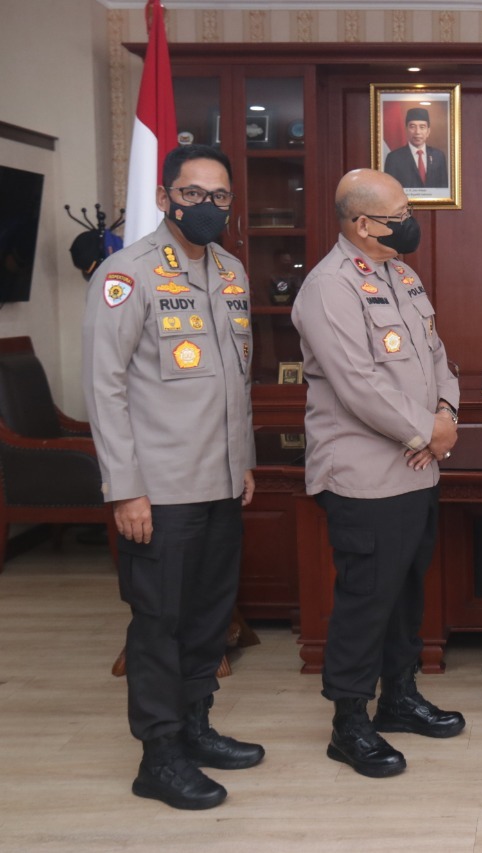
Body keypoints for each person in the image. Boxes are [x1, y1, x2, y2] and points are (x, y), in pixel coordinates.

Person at [83, 143, 263, 810]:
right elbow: (104, 387)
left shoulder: (232, 271)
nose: (207, 206)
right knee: (159, 623)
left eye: (220, 196)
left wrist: (243, 459)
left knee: (209, 615)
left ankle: (194, 726)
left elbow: (237, 379)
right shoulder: (126, 274)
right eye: (192, 194)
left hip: (221, 480)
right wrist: (125, 487)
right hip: (158, 490)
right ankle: (158, 756)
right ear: (164, 198)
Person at [292, 168, 465, 778]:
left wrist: (445, 416)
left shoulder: (402, 274)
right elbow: (357, 384)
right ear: (363, 224)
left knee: (405, 592)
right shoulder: (329, 287)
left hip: (417, 468)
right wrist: (426, 432)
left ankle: (399, 697)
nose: (411, 223)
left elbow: (437, 355)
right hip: (364, 476)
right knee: (366, 601)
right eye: (400, 215)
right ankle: (348, 723)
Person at [382, 107, 448, 189]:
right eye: (412, 127)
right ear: (406, 130)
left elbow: (444, 188)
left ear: (428, 131)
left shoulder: (438, 156)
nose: (417, 132)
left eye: (422, 127)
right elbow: (390, 189)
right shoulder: (393, 158)